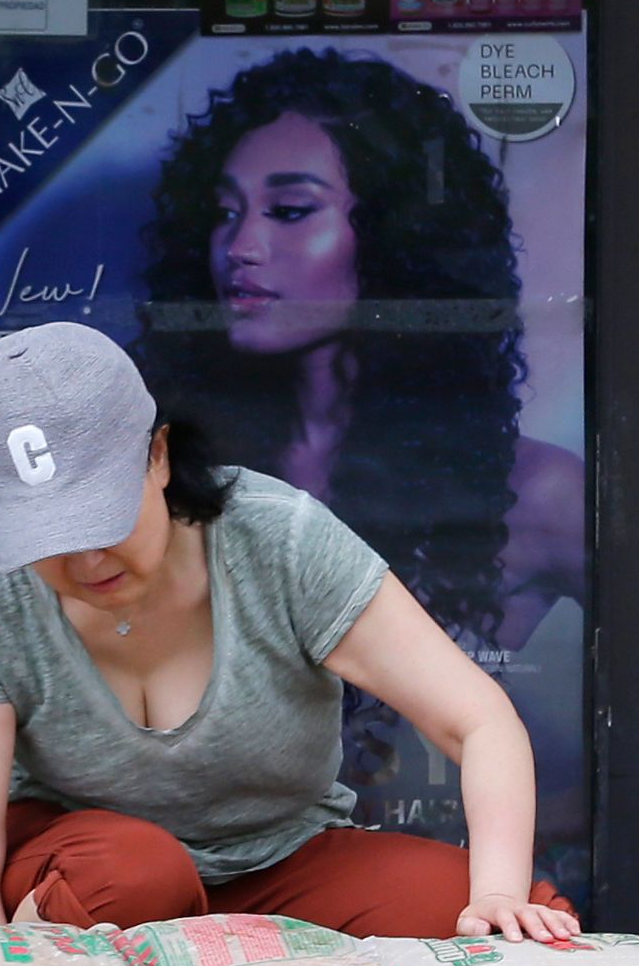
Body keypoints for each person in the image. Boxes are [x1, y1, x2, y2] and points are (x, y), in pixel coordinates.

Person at [0, 321, 581, 942]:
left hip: (280, 861)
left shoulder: (277, 538)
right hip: (89, 882)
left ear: (158, 455)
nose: (89, 562)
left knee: (522, 923)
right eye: (52, 537)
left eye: (105, 519)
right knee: (135, 874)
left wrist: (495, 891)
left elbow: (478, 720)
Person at [140, 48, 585, 668]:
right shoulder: (170, 470)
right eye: (224, 213)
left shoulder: (538, 495)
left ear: (394, 235)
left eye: (290, 211)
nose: (240, 247)